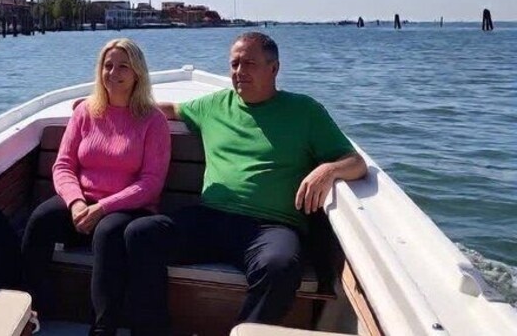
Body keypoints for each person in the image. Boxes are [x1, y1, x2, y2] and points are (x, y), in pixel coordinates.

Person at [125, 32, 367, 334]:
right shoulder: (213, 106)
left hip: (271, 227)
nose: (239, 71)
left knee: (279, 266)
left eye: (249, 63)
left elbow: (356, 162)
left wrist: (328, 170)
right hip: (211, 219)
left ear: (274, 68)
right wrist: (112, 104)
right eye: (234, 64)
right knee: (141, 234)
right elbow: (171, 110)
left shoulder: (305, 112)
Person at [21, 38, 172, 336]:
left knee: (107, 233)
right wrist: (76, 202)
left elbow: (151, 183)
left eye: (123, 66)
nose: (113, 73)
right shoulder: (86, 112)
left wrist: (103, 207)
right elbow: (63, 165)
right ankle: (29, 309)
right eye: (108, 65)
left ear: (138, 73)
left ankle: (103, 328)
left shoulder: (153, 121)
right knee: (41, 219)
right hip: (83, 202)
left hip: (130, 208)